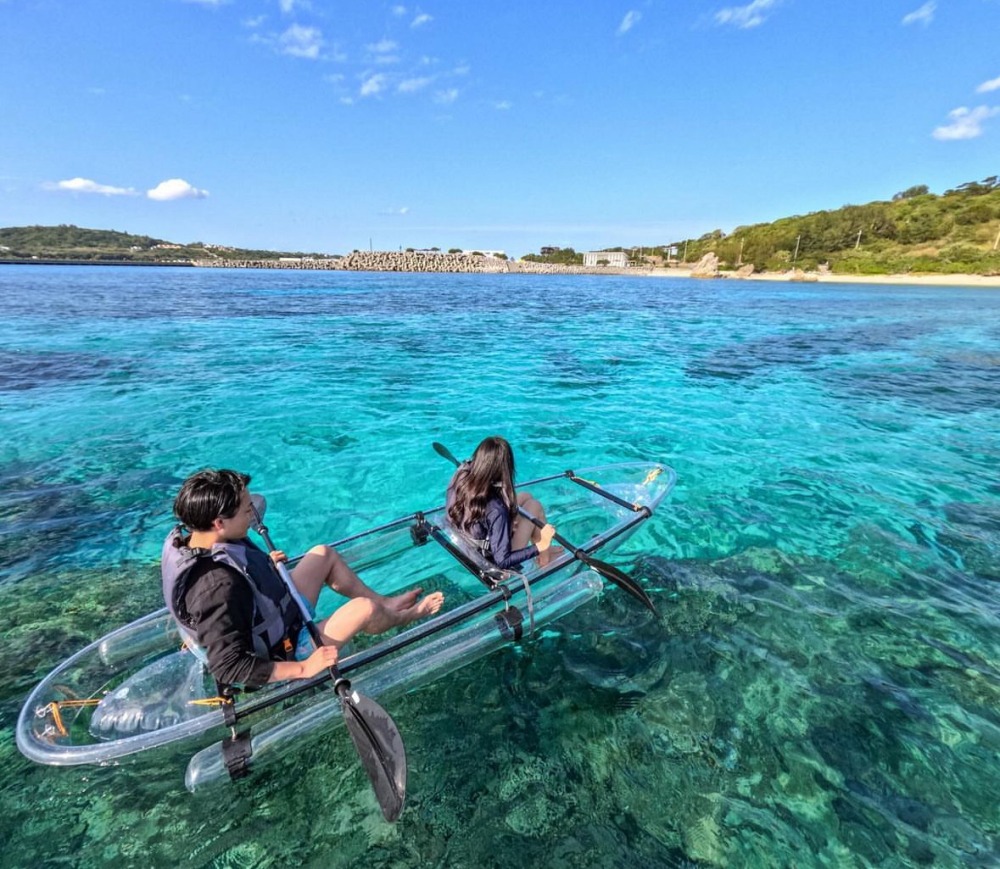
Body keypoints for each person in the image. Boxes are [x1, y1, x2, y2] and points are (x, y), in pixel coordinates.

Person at [161, 468, 444, 691]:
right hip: (283, 649)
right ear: (219, 523)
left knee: (323, 554)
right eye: (247, 510)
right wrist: (305, 668)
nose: (253, 514)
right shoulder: (216, 587)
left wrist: (262, 569)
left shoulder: (195, 539)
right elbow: (229, 667)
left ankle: (387, 603)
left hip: (275, 613)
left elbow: (237, 573)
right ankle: (409, 616)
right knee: (363, 610)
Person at [445, 436, 558, 570]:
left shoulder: (462, 474)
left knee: (525, 496)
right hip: (487, 560)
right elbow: (502, 561)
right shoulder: (495, 508)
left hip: (465, 540)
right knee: (534, 506)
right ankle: (544, 560)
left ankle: (545, 551)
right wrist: (542, 544)